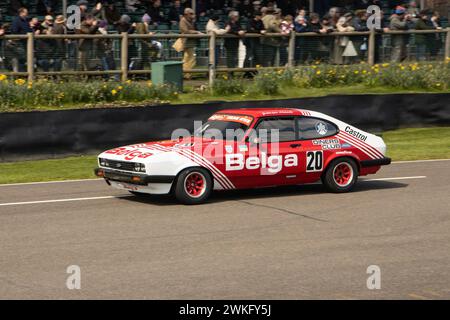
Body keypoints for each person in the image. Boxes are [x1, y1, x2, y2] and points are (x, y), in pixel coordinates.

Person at [179, 8, 203, 79]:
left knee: (186, 59)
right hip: (186, 41)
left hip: (191, 42)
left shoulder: (191, 21)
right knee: (192, 59)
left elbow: (192, 29)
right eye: (191, 14)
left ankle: (185, 74)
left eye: (193, 14)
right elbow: (185, 31)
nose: (193, 15)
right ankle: (187, 74)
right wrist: (196, 32)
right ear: (186, 14)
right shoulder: (183, 20)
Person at [10, 7, 32, 72]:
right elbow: (14, 30)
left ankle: (24, 74)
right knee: (21, 58)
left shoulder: (25, 20)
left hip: (26, 42)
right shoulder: (16, 20)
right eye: (26, 12)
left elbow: (29, 30)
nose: (27, 13)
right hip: (19, 43)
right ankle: (21, 75)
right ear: (21, 13)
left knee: (25, 58)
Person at [224, 11, 245, 75]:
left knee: (234, 58)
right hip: (229, 43)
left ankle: (232, 72)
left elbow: (240, 29)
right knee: (230, 58)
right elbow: (229, 30)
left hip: (236, 43)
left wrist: (241, 31)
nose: (237, 17)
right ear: (232, 16)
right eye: (236, 16)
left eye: (237, 16)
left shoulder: (238, 23)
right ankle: (230, 73)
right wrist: (237, 32)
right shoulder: (227, 22)